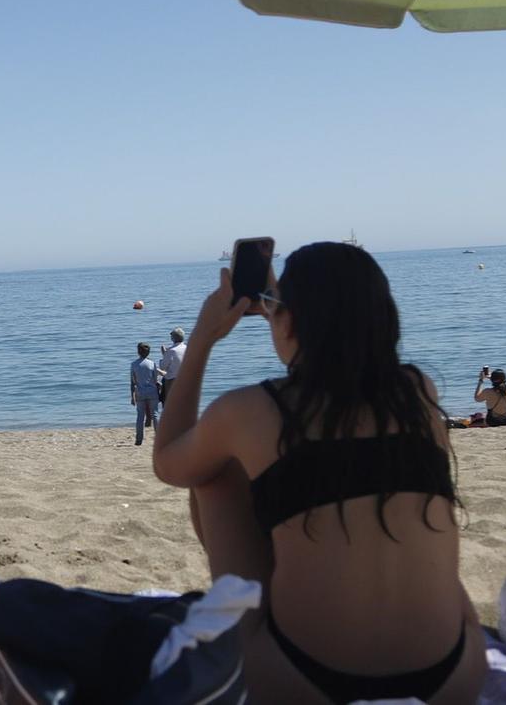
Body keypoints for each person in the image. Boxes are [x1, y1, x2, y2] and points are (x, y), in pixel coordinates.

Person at [152, 244, 485, 704]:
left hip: (305, 682)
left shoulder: (250, 410)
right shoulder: (416, 392)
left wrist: (205, 337)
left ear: (287, 320)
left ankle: (252, 611)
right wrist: (279, 307)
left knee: (215, 470)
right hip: (455, 676)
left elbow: (168, 460)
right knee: (377, 484)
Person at [129, 342, 160, 445]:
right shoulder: (152, 363)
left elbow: (132, 382)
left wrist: (132, 397)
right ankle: (159, 438)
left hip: (140, 392)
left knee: (140, 416)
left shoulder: (134, 364)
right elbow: (155, 379)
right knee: (155, 414)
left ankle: (139, 439)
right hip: (152, 392)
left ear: (138, 352)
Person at [158, 328, 188, 405]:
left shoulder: (171, 351)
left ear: (173, 338)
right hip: (185, 379)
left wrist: (164, 354)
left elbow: (163, 367)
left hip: (172, 380)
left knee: (170, 404)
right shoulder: (188, 348)